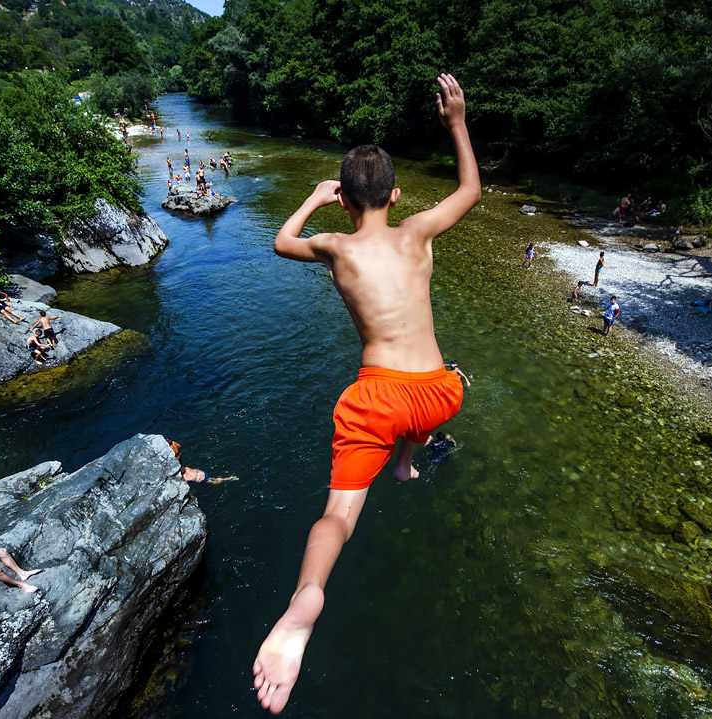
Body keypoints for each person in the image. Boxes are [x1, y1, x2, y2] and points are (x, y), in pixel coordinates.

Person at [252, 74, 479, 715]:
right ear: (397, 195)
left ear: (347, 198)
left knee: (337, 518)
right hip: (437, 394)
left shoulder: (336, 247)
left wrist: (315, 199)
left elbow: (279, 241)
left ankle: (305, 603)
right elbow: (470, 189)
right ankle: (409, 458)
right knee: (449, 387)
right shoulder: (418, 234)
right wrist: (456, 124)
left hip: (376, 398)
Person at [167, 440, 239, 485]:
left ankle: (229, 479)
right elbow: (179, 446)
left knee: (213, 481)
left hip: (203, 479)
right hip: (203, 473)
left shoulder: (186, 477)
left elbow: (183, 483)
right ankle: (228, 478)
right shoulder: (187, 468)